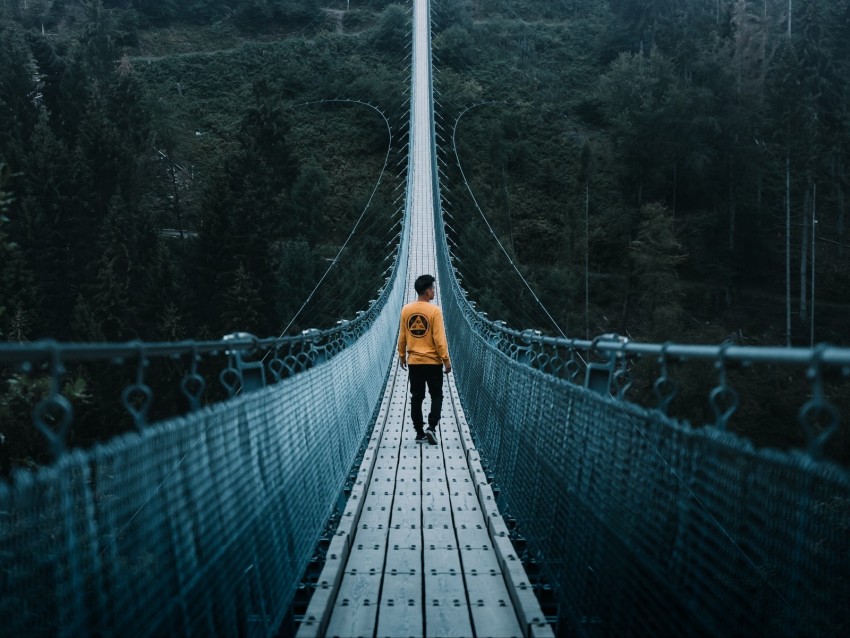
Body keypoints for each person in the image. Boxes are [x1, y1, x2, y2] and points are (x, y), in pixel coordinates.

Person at [397, 274, 452, 445]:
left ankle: (419, 432)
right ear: (427, 292)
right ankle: (432, 427)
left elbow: (403, 335)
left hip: (415, 362)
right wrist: (446, 360)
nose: (434, 291)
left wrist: (401, 355)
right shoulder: (435, 311)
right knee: (436, 395)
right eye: (433, 289)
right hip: (433, 362)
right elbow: (439, 338)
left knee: (416, 396)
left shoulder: (406, 309)